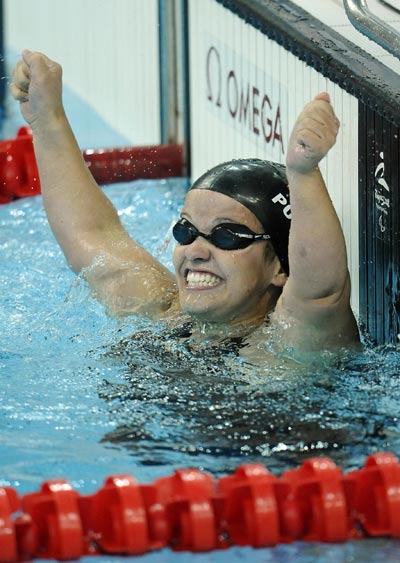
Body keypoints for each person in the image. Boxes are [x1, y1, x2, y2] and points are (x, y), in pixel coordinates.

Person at [10, 50, 359, 350]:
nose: (195, 250)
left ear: (280, 268)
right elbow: (93, 236)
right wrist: (46, 118)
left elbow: (321, 291)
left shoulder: (289, 342)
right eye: (186, 231)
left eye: (226, 236)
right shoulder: (164, 311)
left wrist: (303, 172)